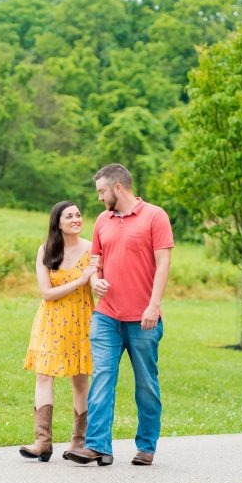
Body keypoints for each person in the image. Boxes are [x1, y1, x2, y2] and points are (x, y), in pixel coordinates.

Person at [66, 163, 173, 467]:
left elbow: (163, 264)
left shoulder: (155, 217)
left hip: (143, 318)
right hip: (107, 316)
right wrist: (94, 279)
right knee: (102, 377)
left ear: (117, 188)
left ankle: (146, 446)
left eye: (101, 191)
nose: (99, 198)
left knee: (146, 384)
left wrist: (153, 306)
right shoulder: (102, 220)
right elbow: (95, 262)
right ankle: (98, 446)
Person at [20, 201, 100, 462]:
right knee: (44, 376)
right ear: (58, 222)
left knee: (80, 379)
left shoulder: (92, 249)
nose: (76, 219)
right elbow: (47, 293)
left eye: (78, 215)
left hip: (81, 319)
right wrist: (79, 280)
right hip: (51, 320)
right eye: (70, 216)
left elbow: (97, 282)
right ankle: (42, 442)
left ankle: (80, 441)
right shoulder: (46, 251)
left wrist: (95, 282)